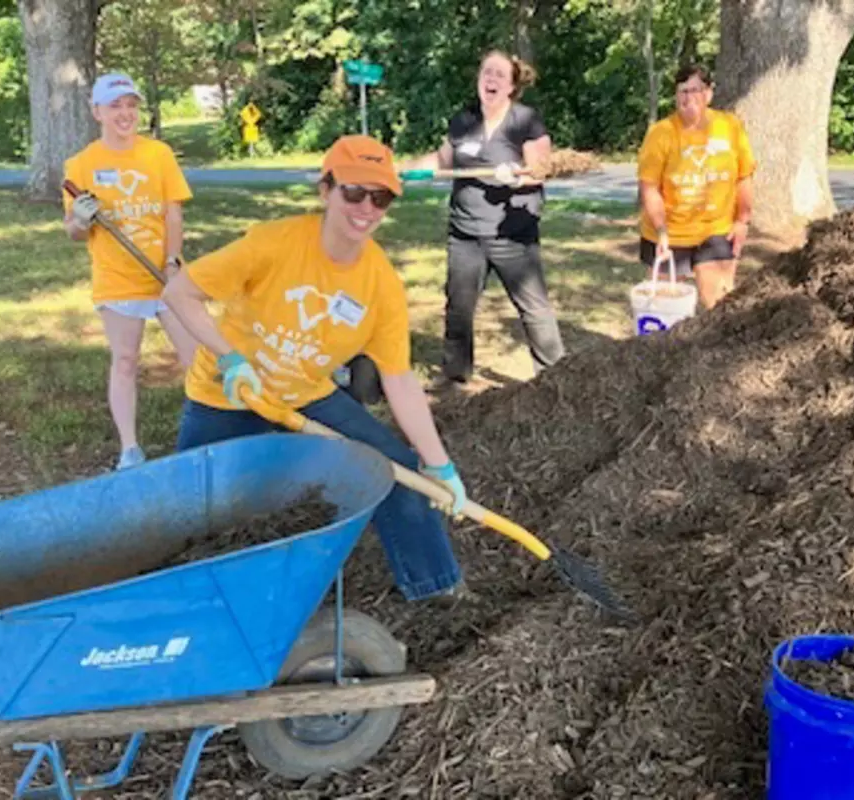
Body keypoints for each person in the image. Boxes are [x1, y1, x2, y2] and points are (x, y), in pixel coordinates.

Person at [160, 134, 466, 602]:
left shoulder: (381, 285)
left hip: (303, 393)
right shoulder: (274, 244)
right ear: (326, 190)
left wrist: (440, 465)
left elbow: (399, 379)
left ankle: (436, 589)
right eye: (354, 192)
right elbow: (179, 293)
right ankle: (162, 593)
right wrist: (230, 357)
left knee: (397, 469)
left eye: (380, 197)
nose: (366, 207)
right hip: (229, 390)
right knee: (186, 506)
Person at [402, 49, 565, 389]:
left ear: (511, 86)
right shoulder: (464, 120)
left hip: (511, 234)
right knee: (458, 307)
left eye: (499, 75)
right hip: (465, 232)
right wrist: (410, 169)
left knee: (534, 309)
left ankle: (556, 377)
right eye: (485, 72)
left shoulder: (525, 120)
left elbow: (541, 166)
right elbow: (443, 159)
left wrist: (517, 176)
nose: (490, 79)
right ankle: (456, 375)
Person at [63, 73, 198, 470]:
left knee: (197, 358)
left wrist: (173, 263)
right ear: (97, 112)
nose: (125, 113)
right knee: (124, 360)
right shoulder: (81, 165)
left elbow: (173, 212)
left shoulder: (159, 154)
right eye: (115, 106)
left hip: (164, 275)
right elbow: (71, 231)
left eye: (131, 105)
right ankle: (130, 449)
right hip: (117, 279)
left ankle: (200, 437)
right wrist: (82, 220)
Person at [637, 64, 756, 310]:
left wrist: (743, 221)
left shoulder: (730, 127)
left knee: (720, 308)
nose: (688, 97)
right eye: (682, 91)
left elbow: (744, 177)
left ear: (709, 93)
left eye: (695, 90)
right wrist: (661, 232)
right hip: (669, 234)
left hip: (716, 231)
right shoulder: (661, 133)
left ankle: (718, 348)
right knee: (660, 309)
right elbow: (650, 188)